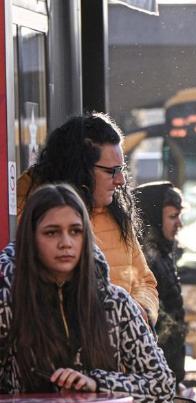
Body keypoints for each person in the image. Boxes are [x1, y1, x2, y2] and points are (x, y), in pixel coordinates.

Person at [0, 184, 175, 403]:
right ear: (30, 239)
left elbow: (161, 388)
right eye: (51, 232)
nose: (65, 243)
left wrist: (97, 382)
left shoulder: (115, 303)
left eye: (75, 231)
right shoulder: (8, 304)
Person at [18, 113, 159, 325]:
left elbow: (145, 281)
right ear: (79, 169)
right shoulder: (27, 214)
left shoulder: (117, 215)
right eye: (112, 171)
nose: (120, 180)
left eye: (121, 170)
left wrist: (142, 310)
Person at [134, 182, 187, 388]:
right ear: (153, 218)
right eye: (173, 217)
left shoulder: (161, 252)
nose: (179, 224)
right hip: (156, 378)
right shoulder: (146, 260)